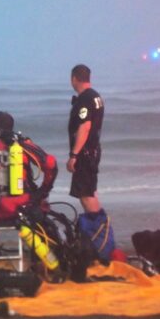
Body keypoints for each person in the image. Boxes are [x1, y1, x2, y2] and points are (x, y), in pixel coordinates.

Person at [0, 111, 57, 222]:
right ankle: (31, 237)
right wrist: (43, 190)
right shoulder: (23, 146)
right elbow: (51, 166)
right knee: (41, 209)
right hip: (23, 205)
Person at [67, 64, 104, 214]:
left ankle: (98, 230)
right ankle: (101, 229)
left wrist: (74, 155)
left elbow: (85, 126)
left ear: (74, 79)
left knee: (85, 196)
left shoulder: (85, 99)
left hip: (85, 153)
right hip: (93, 150)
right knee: (90, 192)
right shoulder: (95, 96)